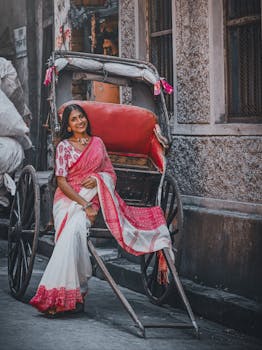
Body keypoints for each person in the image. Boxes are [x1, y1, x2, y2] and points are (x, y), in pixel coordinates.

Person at [30, 103, 172, 316]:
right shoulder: (64, 147)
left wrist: (98, 179)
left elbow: (110, 174)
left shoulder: (97, 144)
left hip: (93, 198)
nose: (80, 121)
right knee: (75, 228)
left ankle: (62, 296)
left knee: (75, 229)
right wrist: (84, 203)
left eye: (82, 117)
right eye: (74, 119)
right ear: (68, 126)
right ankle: (63, 295)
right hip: (68, 200)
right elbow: (61, 181)